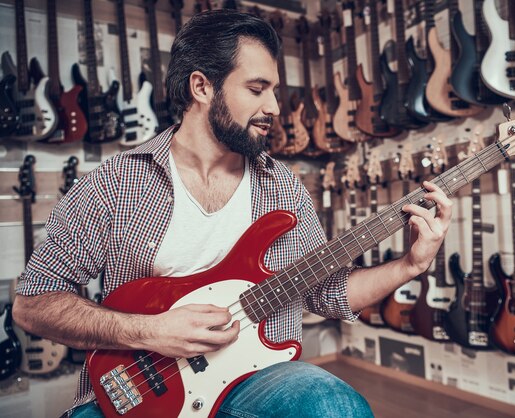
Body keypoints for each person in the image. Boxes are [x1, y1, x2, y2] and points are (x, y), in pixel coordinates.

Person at [12, 9, 452, 418]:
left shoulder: (283, 188)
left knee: (335, 405)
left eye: (274, 91)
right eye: (257, 90)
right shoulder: (116, 182)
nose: (274, 108)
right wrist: (150, 331)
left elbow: (327, 292)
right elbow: (33, 305)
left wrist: (410, 265)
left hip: (254, 378)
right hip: (137, 388)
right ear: (202, 87)